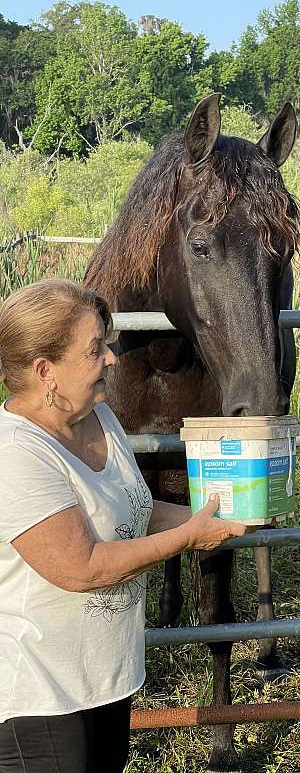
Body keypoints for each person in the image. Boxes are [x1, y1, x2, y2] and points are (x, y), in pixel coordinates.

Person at [0, 279, 246, 773]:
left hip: (105, 676)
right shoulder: (16, 453)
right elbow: (83, 567)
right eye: (96, 349)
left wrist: (226, 516)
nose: (112, 358)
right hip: (39, 692)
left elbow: (133, 507)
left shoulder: (100, 416)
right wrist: (190, 537)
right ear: (45, 371)